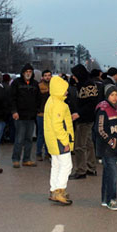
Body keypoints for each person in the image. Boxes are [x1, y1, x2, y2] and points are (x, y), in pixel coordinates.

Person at [45, 76, 74, 205]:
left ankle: (54, 189)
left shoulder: (50, 100)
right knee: (67, 165)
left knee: (56, 165)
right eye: (64, 89)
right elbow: (58, 125)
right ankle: (60, 191)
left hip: (51, 139)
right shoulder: (60, 104)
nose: (67, 92)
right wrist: (65, 141)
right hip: (59, 140)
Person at [95, 84, 117, 210]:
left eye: (116, 94)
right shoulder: (103, 109)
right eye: (112, 95)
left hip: (114, 147)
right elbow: (100, 129)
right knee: (112, 174)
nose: (115, 97)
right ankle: (111, 199)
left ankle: (105, 199)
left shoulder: (116, 109)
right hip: (107, 147)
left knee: (108, 173)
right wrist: (110, 141)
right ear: (107, 95)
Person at [69, 64, 101, 178]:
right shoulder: (85, 83)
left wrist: (79, 113)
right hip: (87, 118)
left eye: (74, 75)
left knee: (79, 145)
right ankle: (91, 167)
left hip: (84, 119)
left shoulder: (88, 85)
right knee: (88, 143)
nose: (73, 77)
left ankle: (81, 170)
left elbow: (91, 103)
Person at [10, 63, 40, 168]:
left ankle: (26, 159)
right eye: (26, 72)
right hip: (20, 116)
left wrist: (37, 110)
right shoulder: (16, 83)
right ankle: (16, 159)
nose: (28, 74)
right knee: (19, 138)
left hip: (31, 116)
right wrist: (14, 111)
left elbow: (38, 99)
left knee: (29, 139)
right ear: (23, 73)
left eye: (30, 72)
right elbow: (12, 98)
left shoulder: (35, 84)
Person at [36, 70, 52, 161]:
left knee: (49, 134)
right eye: (45, 75)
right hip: (41, 113)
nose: (47, 77)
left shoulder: (53, 86)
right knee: (41, 134)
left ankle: (47, 152)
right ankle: (39, 153)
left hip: (50, 114)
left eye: (49, 75)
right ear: (42, 77)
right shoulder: (39, 87)